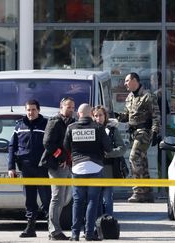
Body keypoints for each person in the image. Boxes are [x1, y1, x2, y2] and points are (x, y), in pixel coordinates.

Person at [64, 103, 113, 241]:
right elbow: (108, 148)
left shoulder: (71, 128)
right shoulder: (98, 128)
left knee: (78, 202)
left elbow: (66, 147)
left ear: (79, 114)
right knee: (93, 201)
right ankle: (90, 234)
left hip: (77, 168)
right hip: (95, 167)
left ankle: (74, 235)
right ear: (91, 113)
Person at [115, 72, 161, 203]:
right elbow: (127, 115)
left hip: (144, 132)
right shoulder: (130, 97)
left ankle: (138, 191)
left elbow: (156, 116)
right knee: (142, 162)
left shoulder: (147, 96)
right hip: (134, 133)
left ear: (135, 80)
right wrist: (116, 115)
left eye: (127, 80)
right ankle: (147, 192)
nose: (125, 84)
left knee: (134, 157)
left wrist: (155, 132)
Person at [7, 99, 50, 238]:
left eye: (33, 109)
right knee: (30, 199)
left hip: (42, 167)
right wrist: (11, 167)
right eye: (28, 110)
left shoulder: (46, 124)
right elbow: (12, 147)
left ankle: (53, 229)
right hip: (26, 167)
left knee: (46, 199)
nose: (31, 112)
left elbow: (52, 144)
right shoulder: (19, 125)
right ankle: (30, 228)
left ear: (38, 110)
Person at [40, 97, 76, 241]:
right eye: (68, 107)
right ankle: (54, 231)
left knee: (64, 199)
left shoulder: (73, 123)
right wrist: (61, 158)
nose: (71, 109)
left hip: (69, 165)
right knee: (57, 198)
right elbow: (47, 143)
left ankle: (55, 229)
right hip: (57, 165)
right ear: (61, 107)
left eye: (73, 107)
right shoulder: (54, 121)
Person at [92, 105, 127, 216]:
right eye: (96, 116)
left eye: (100, 115)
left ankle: (108, 221)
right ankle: (96, 222)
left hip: (108, 168)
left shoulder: (112, 130)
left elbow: (122, 148)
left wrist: (109, 153)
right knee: (95, 198)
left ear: (105, 116)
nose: (98, 118)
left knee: (107, 197)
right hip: (92, 168)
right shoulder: (89, 129)